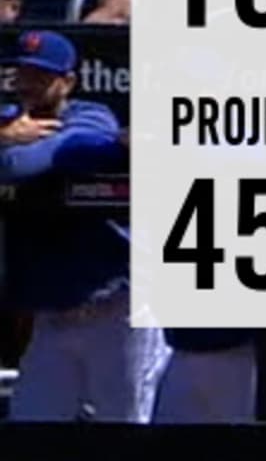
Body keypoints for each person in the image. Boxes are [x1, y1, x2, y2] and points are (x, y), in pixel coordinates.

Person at [0, 30, 155, 422]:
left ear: (67, 81)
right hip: (53, 315)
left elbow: (22, 166)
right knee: (31, 438)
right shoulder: (8, 121)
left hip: (115, 307)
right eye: (24, 73)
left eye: (42, 75)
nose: (29, 85)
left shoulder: (91, 117)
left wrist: (12, 146)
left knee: (128, 444)